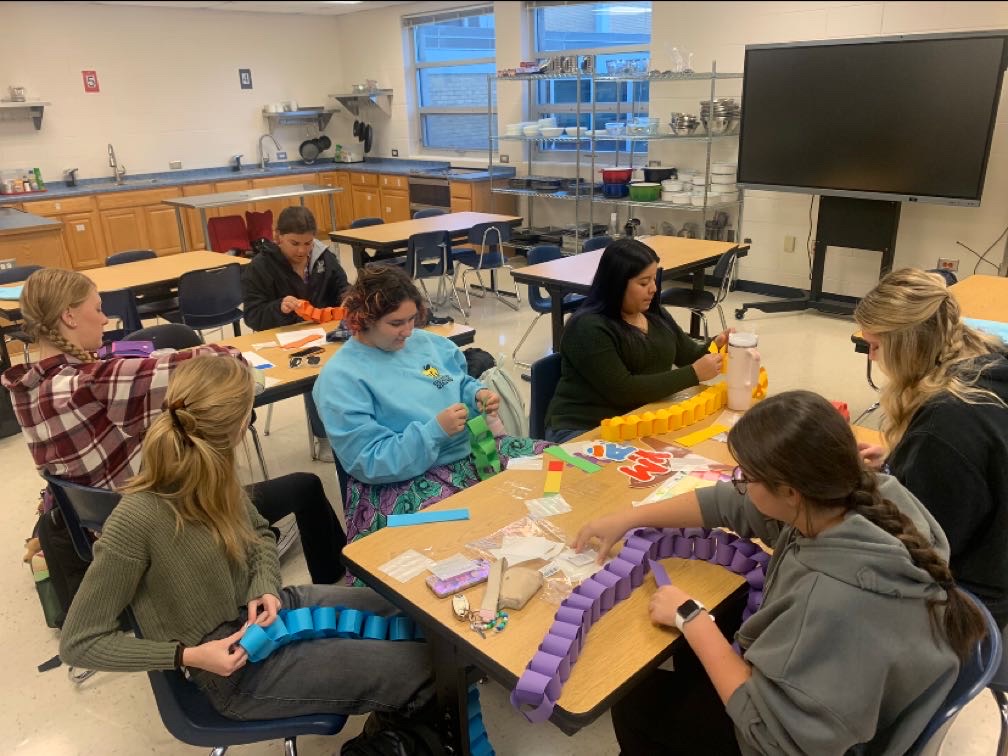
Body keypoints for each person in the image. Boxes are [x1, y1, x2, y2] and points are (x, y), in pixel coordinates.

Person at [574, 390, 987, 755]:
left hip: (808, 737)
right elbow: (731, 505)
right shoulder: (867, 496)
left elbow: (771, 738)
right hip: (866, 681)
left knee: (636, 703)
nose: (739, 485)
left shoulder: (827, 599)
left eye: (746, 478)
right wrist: (630, 517)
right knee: (700, 645)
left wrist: (692, 618)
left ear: (790, 492)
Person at [59, 356, 435, 726]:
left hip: (264, 615)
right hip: (233, 673)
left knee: (413, 614)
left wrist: (264, 586)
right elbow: (79, 642)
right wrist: (185, 655)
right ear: (240, 426)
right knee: (425, 667)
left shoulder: (212, 472)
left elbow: (260, 534)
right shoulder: (137, 518)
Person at [1, 268, 346, 588]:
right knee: (307, 487)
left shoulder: (25, 387)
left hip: (99, 528)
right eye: (98, 308)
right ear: (69, 316)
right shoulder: (93, 381)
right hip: (154, 531)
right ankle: (337, 591)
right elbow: (220, 360)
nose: (106, 319)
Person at [313, 264, 549, 546]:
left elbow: (447, 381)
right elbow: (369, 461)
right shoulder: (342, 378)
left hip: (469, 455)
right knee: (468, 542)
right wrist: (434, 432)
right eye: (396, 323)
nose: (408, 331)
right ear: (363, 320)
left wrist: (475, 395)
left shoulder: (426, 346)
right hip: (402, 481)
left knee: (554, 468)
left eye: (412, 319)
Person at [854, 267, 1008, 626]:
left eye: (875, 346)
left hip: (970, 601)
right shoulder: (986, 361)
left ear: (906, 345)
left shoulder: (945, 425)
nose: (873, 358)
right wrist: (902, 462)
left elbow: (920, 550)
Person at [544, 238, 730, 443]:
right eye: (644, 282)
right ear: (616, 285)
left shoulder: (653, 313)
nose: (654, 289)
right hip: (585, 428)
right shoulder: (588, 328)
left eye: (654, 280)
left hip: (636, 418)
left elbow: (688, 355)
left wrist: (716, 345)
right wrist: (694, 373)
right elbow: (624, 391)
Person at [241, 205, 350, 332]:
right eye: (294, 243)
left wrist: (348, 298)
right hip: (282, 337)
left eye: (308, 243)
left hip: (324, 332)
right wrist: (279, 308)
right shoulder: (260, 267)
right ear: (278, 236)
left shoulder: (324, 257)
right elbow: (252, 316)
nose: (302, 250)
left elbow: (342, 287)